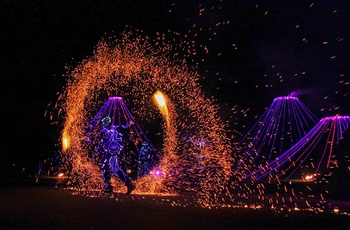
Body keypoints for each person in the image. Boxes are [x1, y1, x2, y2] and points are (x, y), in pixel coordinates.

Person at [99, 116, 135, 194]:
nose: (103, 125)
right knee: (112, 170)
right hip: (109, 153)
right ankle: (126, 184)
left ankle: (112, 186)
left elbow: (125, 127)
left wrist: (130, 122)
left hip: (113, 153)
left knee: (109, 169)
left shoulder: (115, 129)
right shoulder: (106, 131)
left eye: (104, 124)